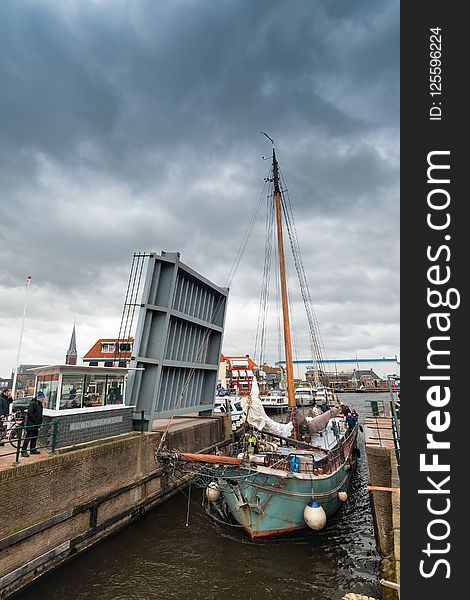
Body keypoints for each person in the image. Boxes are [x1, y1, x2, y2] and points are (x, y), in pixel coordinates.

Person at [21, 391, 44, 457]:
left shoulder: (40, 404)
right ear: (38, 398)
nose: (43, 399)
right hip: (31, 424)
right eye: (42, 397)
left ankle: (32, 449)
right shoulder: (33, 404)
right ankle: (23, 451)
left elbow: (39, 414)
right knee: (28, 437)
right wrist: (35, 420)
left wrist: (39, 421)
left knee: (34, 437)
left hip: (37, 424)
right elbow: (30, 413)